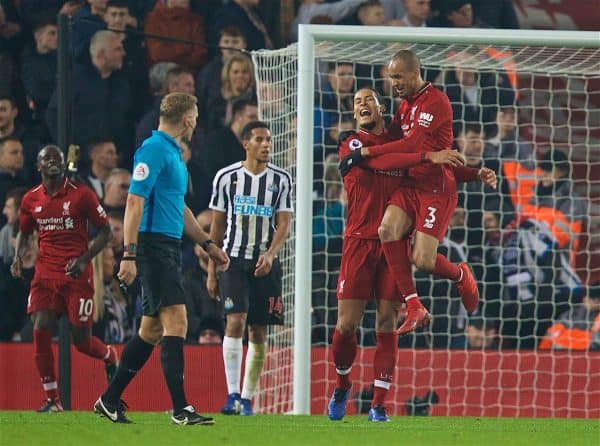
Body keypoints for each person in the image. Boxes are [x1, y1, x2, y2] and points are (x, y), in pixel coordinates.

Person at [328, 87, 464, 422]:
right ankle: (343, 383)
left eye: (368, 100)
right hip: (358, 241)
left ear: (381, 107)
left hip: (393, 244)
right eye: (356, 102)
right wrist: (425, 156)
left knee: (387, 322)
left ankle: (378, 404)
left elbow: (423, 163)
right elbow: (382, 159)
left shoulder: (399, 139)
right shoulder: (352, 142)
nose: (361, 104)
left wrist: (471, 172)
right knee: (347, 324)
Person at [94, 92, 229, 425]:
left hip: (167, 246)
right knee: (177, 322)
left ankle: (108, 400)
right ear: (186, 119)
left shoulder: (172, 154)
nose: (196, 122)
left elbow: (177, 207)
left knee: (151, 331)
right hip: (152, 247)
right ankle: (181, 408)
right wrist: (129, 254)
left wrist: (208, 244)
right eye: (195, 117)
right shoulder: (153, 150)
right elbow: (134, 203)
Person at [339, 50, 497, 335]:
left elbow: (412, 147)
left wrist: (366, 151)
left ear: (415, 73)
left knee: (423, 260)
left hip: (436, 189)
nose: (394, 83)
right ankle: (414, 305)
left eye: (398, 77)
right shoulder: (404, 106)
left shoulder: (435, 102)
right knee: (386, 228)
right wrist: (361, 145)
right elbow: (401, 146)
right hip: (411, 184)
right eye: (391, 77)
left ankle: (461, 274)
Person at [10, 145, 117, 412]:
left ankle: (109, 355)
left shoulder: (82, 195)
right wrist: (17, 256)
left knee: (81, 341)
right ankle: (52, 399)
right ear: (39, 166)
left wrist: (84, 260)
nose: (53, 162)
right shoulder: (31, 199)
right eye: (47, 159)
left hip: (76, 275)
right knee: (40, 326)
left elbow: (106, 232)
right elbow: (24, 230)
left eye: (57, 158)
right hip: (45, 274)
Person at [207, 121, 293, 416]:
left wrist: (270, 255)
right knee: (235, 321)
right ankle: (231, 395)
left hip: (265, 263)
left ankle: (246, 398)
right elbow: (216, 226)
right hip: (232, 260)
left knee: (259, 330)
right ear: (246, 143)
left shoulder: (281, 179)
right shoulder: (226, 177)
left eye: (268, 140)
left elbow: (284, 223)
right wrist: (211, 270)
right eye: (260, 139)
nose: (267, 144)